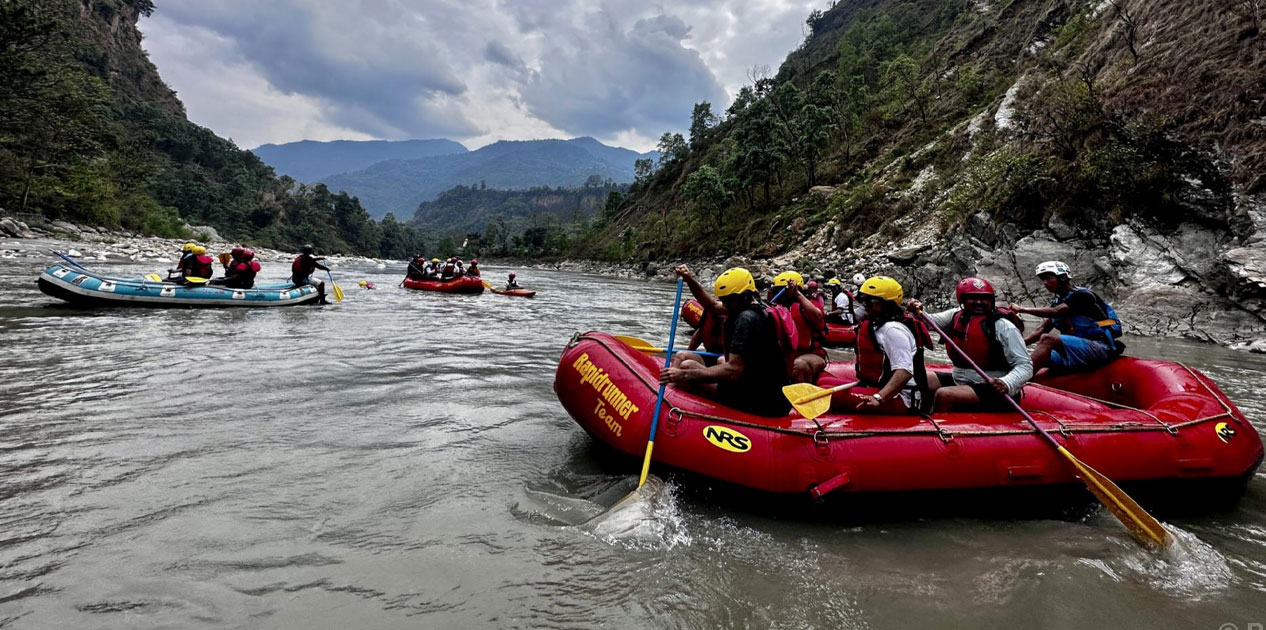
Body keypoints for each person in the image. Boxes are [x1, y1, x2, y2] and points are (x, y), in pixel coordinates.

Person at [659, 267, 791, 417]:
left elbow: (733, 370)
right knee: (687, 362)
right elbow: (712, 307)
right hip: (761, 391)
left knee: (687, 367)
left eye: (728, 301)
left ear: (745, 296)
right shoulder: (754, 307)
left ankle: (667, 408)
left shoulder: (746, 319)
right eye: (723, 300)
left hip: (759, 402)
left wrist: (684, 375)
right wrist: (690, 280)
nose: (724, 304)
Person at [909, 277, 1033, 412]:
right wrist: (918, 312)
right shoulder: (956, 315)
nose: (979, 302)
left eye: (984, 298)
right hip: (961, 380)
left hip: (994, 388)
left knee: (944, 394)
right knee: (918, 377)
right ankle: (918, 415)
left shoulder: (1004, 326)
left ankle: (938, 428)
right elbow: (929, 323)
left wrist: (1006, 383)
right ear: (962, 300)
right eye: (972, 298)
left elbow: (1025, 365)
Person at [1009, 261, 1124, 372]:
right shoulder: (1059, 302)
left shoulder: (1083, 296)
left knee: (1047, 339)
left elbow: (1055, 311)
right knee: (1029, 358)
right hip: (1077, 350)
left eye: (1048, 278)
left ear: (1062, 278)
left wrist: (1022, 309)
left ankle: (1019, 380)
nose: (1045, 283)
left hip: (1100, 348)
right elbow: (1041, 329)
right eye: (1043, 279)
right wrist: (1015, 346)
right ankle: (1013, 377)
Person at [848, 276, 939, 413]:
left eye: (869, 300)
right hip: (881, 388)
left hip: (903, 397)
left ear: (886, 304)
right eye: (863, 299)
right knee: (825, 384)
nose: (864, 304)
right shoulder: (877, 325)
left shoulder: (893, 330)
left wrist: (879, 398)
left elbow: (904, 371)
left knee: (832, 396)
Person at [769, 271, 828, 384]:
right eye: (778, 290)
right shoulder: (775, 308)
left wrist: (796, 294)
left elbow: (817, 316)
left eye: (784, 290)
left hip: (812, 354)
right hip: (787, 355)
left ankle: (797, 397)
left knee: (799, 365)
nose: (782, 295)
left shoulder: (808, 305)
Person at [672, 265, 727, 367]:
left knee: (721, 361)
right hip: (713, 357)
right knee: (681, 355)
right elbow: (699, 334)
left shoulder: (742, 316)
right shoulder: (712, 311)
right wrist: (689, 280)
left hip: (728, 363)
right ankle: (669, 380)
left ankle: (716, 383)